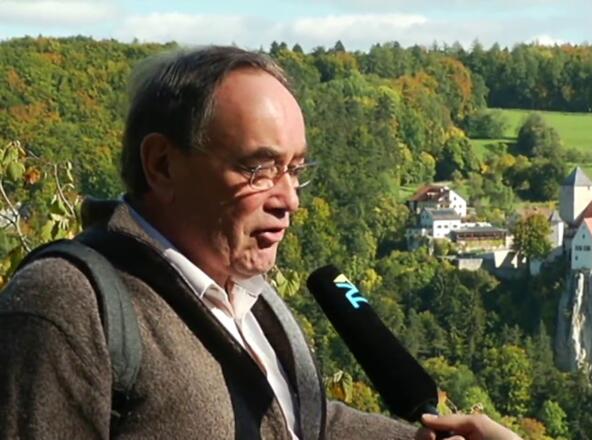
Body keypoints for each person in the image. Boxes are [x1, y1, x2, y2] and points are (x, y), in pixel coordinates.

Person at [0, 46, 515, 440]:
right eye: (259, 168)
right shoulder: (66, 305)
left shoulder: (253, 295)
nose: (288, 198)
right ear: (161, 164)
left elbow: (297, 418)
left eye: (295, 169)